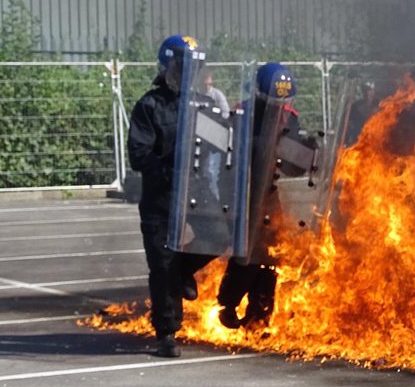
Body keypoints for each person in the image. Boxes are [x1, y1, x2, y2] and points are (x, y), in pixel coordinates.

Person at [127, 34, 217, 358]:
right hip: (161, 199)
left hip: (197, 195)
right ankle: (166, 333)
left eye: (195, 67)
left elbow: (220, 145)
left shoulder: (203, 105)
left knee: (219, 234)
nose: (189, 73)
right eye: (183, 66)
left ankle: (183, 271)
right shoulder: (149, 106)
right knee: (162, 264)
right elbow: (138, 154)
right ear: (168, 66)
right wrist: (167, 172)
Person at [217, 62, 301, 329]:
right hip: (242, 190)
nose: (279, 105)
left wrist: (304, 153)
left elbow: (291, 162)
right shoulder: (242, 113)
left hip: (269, 193)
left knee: (270, 256)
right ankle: (228, 303)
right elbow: (230, 151)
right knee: (247, 253)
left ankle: (259, 314)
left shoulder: (290, 116)